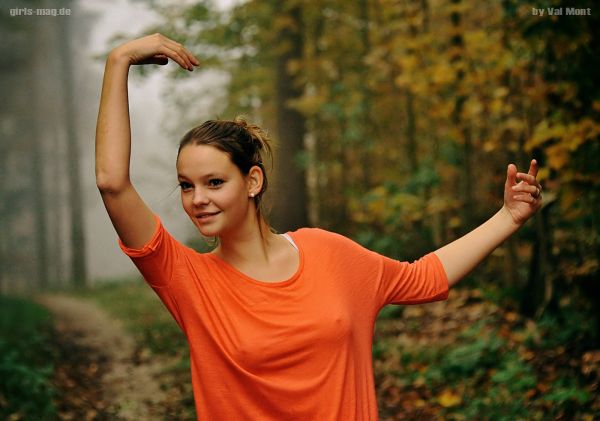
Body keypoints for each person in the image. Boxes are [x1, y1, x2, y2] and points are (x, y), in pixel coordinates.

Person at [95, 33, 543, 420]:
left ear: (252, 181)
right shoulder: (189, 281)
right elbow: (112, 184)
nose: (198, 199)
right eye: (186, 186)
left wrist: (507, 217)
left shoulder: (328, 253)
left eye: (214, 182)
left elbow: (422, 277)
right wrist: (119, 61)